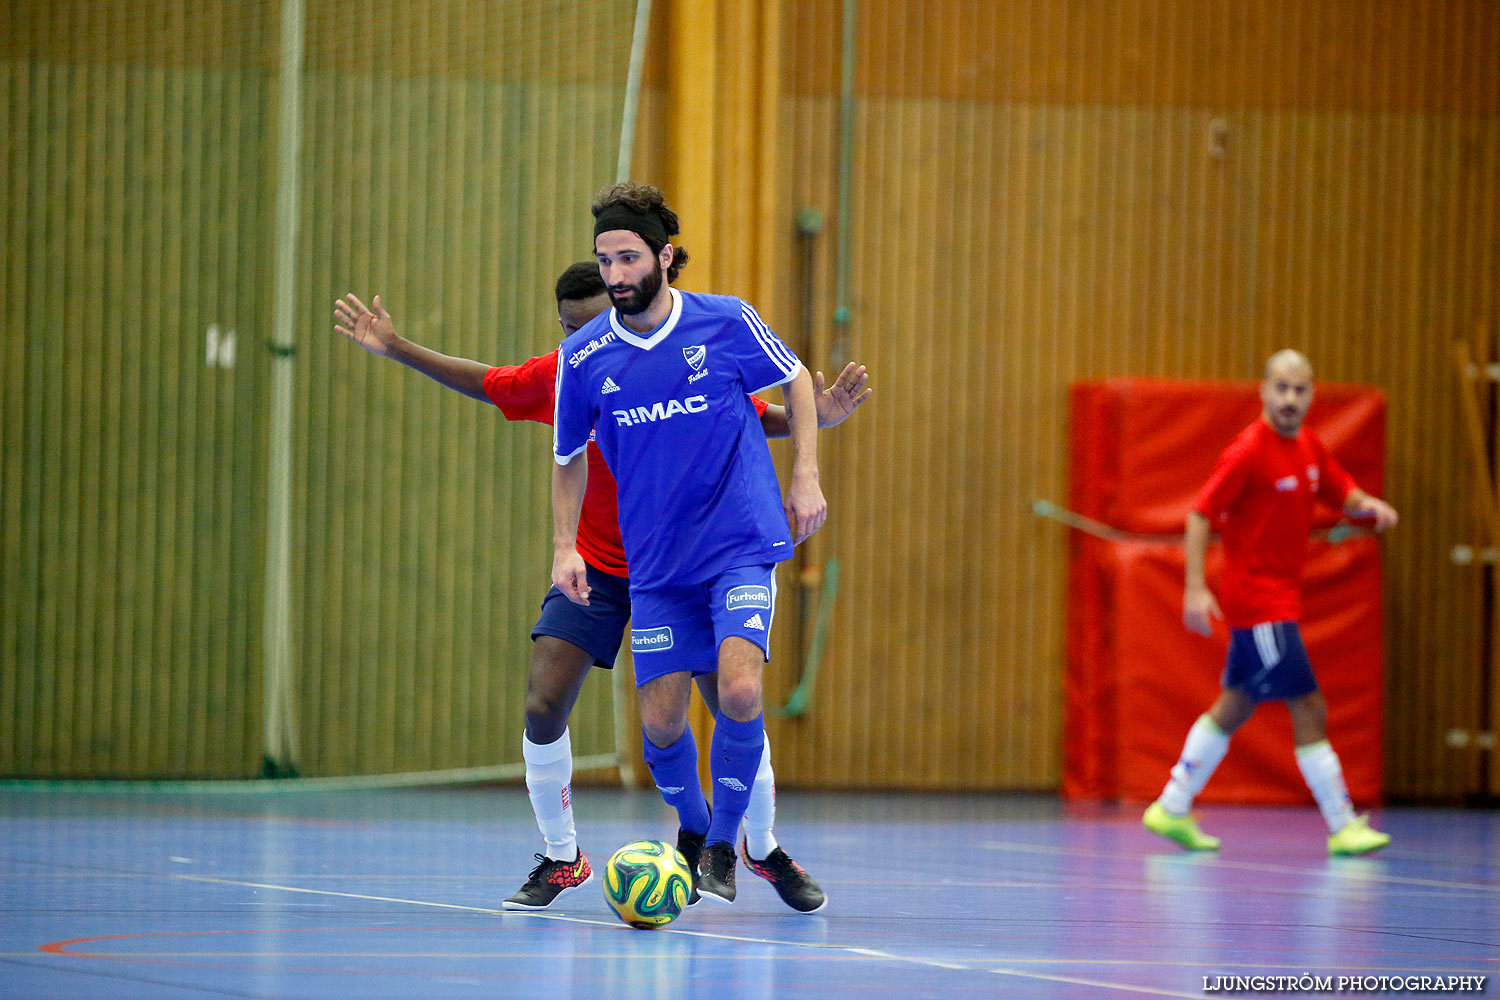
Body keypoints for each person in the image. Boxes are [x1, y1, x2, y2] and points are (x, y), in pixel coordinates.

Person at [333, 264, 869, 912]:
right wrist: (396, 347)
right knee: (542, 702)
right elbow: (489, 383)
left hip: (681, 563)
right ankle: (564, 858)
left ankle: (758, 844)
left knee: (734, 697)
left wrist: (821, 421)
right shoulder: (565, 374)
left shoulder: (666, 361)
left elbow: (751, 412)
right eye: (569, 329)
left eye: (594, 326)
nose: (582, 342)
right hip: (596, 566)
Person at [553, 182, 828, 905]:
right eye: (603, 260)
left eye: (628, 257)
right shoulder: (584, 359)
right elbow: (566, 457)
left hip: (738, 538)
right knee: (661, 723)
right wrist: (564, 548)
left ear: (665, 256)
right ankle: (702, 829)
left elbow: (796, 377)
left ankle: (726, 851)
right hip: (657, 562)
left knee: (738, 689)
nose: (614, 275)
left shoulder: (725, 321)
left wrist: (805, 474)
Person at [1142, 349, 1398, 856]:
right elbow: (1199, 514)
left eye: (1300, 390)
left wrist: (1368, 505)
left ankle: (1171, 807)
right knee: (1309, 705)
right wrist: (1195, 587)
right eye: (1280, 388)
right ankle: (1342, 824)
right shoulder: (1247, 452)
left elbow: (1338, 489)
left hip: (1280, 599)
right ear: (1263, 391)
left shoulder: (1308, 446)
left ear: (1311, 396)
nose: (1289, 399)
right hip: (1259, 603)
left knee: (1235, 705)